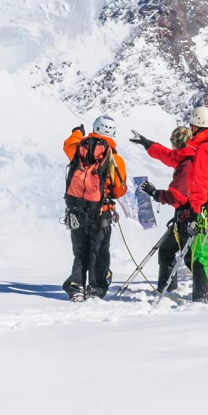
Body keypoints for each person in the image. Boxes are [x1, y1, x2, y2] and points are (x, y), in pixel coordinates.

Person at [132, 106, 208, 304]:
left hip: (207, 210)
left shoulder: (205, 149)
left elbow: (199, 182)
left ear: (196, 126)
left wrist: (195, 210)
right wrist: (149, 144)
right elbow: (172, 157)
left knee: (205, 258)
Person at [62, 116, 127, 301]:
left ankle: (76, 287)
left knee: (80, 250)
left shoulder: (78, 149)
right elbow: (119, 190)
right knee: (99, 250)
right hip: (101, 211)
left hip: (76, 209)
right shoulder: (115, 159)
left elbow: (68, 144)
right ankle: (96, 289)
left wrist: (77, 132)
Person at [133, 126, 193, 293]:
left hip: (188, 217)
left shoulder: (187, 164)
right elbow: (167, 156)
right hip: (190, 216)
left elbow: (175, 196)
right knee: (172, 251)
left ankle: (170, 291)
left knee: (190, 258)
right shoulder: (190, 156)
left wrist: (154, 193)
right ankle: (168, 290)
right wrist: (148, 144)